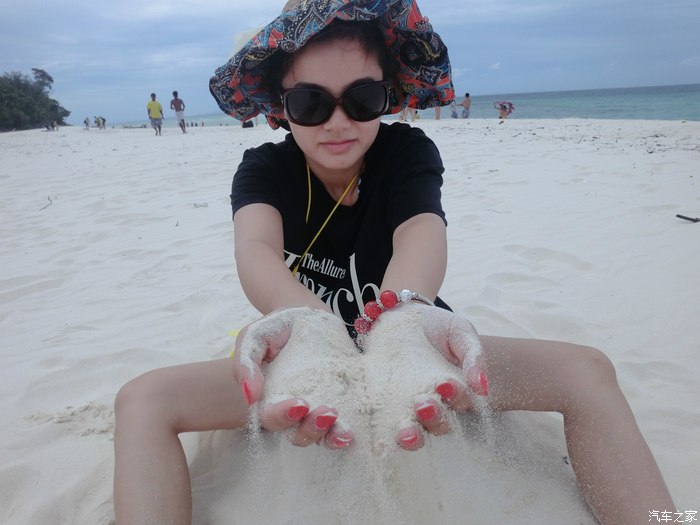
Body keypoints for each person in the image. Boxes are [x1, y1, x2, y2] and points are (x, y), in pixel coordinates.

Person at [114, 1, 674, 523]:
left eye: (362, 99)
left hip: (417, 355)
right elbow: (255, 247)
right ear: (281, 108)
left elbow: (419, 232)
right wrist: (308, 326)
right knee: (142, 400)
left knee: (586, 371)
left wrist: (403, 318)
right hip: (302, 359)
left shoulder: (406, 153)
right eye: (310, 102)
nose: (337, 122)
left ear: (389, 95)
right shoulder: (263, 169)